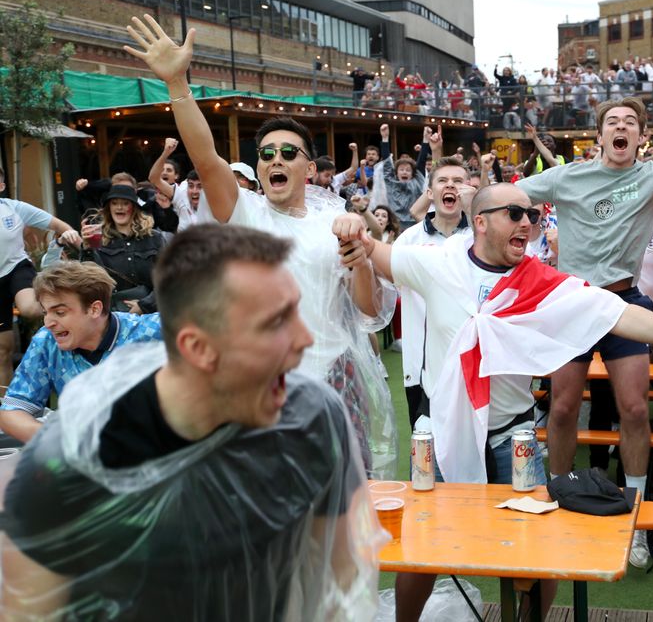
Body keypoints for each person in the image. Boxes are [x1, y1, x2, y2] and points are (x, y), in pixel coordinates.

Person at [334, 182, 653, 621]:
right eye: (514, 214)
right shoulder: (437, 264)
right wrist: (353, 224)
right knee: (423, 545)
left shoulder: (541, 282)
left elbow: (618, 312)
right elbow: (370, 249)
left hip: (513, 437)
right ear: (481, 221)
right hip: (444, 432)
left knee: (537, 548)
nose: (527, 223)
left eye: (531, 215)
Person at [0, 224, 384, 620]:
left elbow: (343, 573)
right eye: (274, 323)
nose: (304, 339)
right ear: (197, 348)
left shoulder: (310, 419)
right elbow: (29, 610)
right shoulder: (63, 464)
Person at [123, 13, 397, 477]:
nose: (275, 159)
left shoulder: (334, 220)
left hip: (334, 376)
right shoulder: (246, 211)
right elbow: (206, 158)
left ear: (308, 170)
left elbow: (369, 310)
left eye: (289, 152)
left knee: (344, 499)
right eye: (266, 153)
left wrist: (361, 262)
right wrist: (177, 84)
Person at [515, 96, 653, 567]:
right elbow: (511, 197)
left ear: (640, 136)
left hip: (622, 301)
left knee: (635, 408)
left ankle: (632, 512)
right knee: (564, 405)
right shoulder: (567, 177)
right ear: (599, 135)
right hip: (570, 299)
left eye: (630, 122)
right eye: (612, 121)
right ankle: (559, 494)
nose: (621, 128)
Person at [0, 261, 162, 443]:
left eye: (59, 312)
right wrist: (63, 441)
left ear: (94, 309)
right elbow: (11, 412)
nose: (48, 322)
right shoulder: (46, 341)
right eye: (45, 312)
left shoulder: (150, 331)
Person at [394, 155, 473, 428]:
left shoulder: (481, 239)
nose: (450, 186)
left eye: (458, 181)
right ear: (430, 193)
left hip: (473, 363)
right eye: (443, 181)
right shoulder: (409, 239)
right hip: (420, 366)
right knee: (425, 456)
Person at [0, 167, 82, 393]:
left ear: (1, 186)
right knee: (3, 350)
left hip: (17, 268)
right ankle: (4, 411)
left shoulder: (14, 208)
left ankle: (67, 314)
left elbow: (57, 225)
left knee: (29, 309)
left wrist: (72, 235)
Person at [76, 183, 166, 314]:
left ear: (134, 208)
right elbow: (89, 281)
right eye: (114, 203)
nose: (119, 207)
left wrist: (144, 306)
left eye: (125, 203)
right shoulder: (99, 239)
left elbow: (170, 278)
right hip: (115, 314)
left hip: (153, 314)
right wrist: (87, 247)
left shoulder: (154, 238)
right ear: (109, 208)